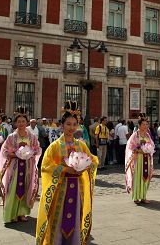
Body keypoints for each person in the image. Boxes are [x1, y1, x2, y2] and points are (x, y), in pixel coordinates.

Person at [35, 101, 98, 245]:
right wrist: (64, 169)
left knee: (75, 216)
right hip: (59, 191)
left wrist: (85, 166)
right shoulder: (54, 146)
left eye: (74, 124)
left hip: (77, 189)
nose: (71, 127)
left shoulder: (81, 145)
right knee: (59, 218)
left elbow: (93, 161)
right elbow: (45, 166)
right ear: (62, 125)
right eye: (68, 124)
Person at [0, 106, 41, 224]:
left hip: (27, 167)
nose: (21, 123)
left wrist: (31, 153)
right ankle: (12, 214)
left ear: (27, 122)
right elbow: (5, 151)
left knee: (25, 188)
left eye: (23, 121)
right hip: (15, 167)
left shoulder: (32, 137)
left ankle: (22, 213)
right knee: (13, 189)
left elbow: (37, 149)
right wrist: (14, 154)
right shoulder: (11, 137)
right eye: (19, 121)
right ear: (15, 123)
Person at [125, 113, 155, 204]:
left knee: (145, 177)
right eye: (144, 124)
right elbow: (130, 146)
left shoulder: (147, 135)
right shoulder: (135, 135)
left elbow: (152, 144)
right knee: (137, 177)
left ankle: (143, 196)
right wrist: (138, 150)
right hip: (138, 159)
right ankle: (136, 197)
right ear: (139, 125)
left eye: (146, 124)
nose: (145, 126)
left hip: (146, 158)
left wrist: (149, 149)